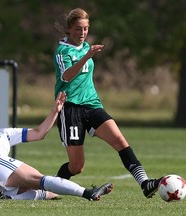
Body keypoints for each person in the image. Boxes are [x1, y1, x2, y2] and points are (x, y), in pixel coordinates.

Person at [53, 8, 162, 198]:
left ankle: (145, 183)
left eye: (86, 29)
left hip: (92, 105)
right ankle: (48, 189)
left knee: (120, 140)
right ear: (69, 29)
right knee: (77, 166)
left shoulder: (86, 47)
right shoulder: (62, 51)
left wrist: (87, 53)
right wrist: (87, 56)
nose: (82, 33)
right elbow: (67, 76)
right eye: (78, 29)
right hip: (70, 109)